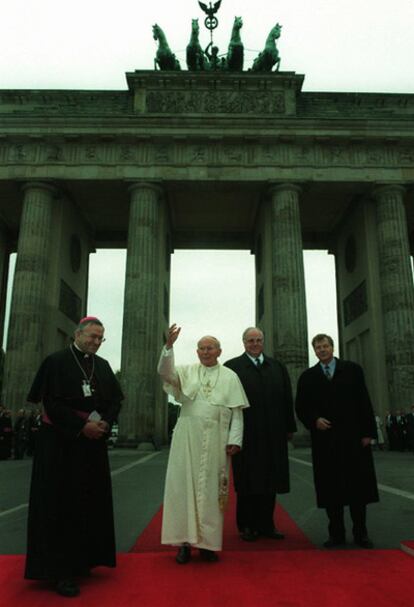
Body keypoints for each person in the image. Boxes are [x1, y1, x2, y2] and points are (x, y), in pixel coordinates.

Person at [24, 316, 123, 597]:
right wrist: (82, 426)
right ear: (77, 334)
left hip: (92, 446)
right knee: (61, 504)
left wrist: (104, 423)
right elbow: (50, 403)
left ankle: (84, 560)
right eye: (91, 336)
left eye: (100, 338)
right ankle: (60, 570)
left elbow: (115, 400)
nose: (95, 342)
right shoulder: (56, 362)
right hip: (60, 445)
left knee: (88, 502)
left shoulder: (102, 366)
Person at [157, 324, 249, 564]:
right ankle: (184, 543)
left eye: (210, 348)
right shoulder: (187, 371)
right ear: (197, 352)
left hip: (218, 438)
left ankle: (207, 544)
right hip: (187, 437)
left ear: (219, 351)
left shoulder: (231, 376)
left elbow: (237, 413)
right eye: (201, 348)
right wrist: (168, 346)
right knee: (183, 489)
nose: (205, 352)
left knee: (211, 491)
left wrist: (234, 440)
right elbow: (166, 374)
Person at [295, 333, 379, 549]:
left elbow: (364, 401)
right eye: (318, 347)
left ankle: (361, 533)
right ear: (314, 350)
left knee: (357, 490)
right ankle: (336, 534)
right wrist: (314, 420)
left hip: (353, 439)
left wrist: (368, 433)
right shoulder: (308, 376)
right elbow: (301, 407)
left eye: (325, 346)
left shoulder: (352, 370)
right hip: (325, 441)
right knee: (332, 490)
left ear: (332, 347)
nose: (322, 350)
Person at [224, 327, 296, 541]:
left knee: (270, 480)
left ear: (263, 341)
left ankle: (267, 525)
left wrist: (289, 427)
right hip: (245, 434)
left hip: (273, 433)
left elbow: (286, 398)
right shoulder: (232, 367)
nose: (255, 344)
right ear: (243, 342)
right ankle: (246, 525)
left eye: (258, 340)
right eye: (250, 340)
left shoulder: (277, 367)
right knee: (247, 481)